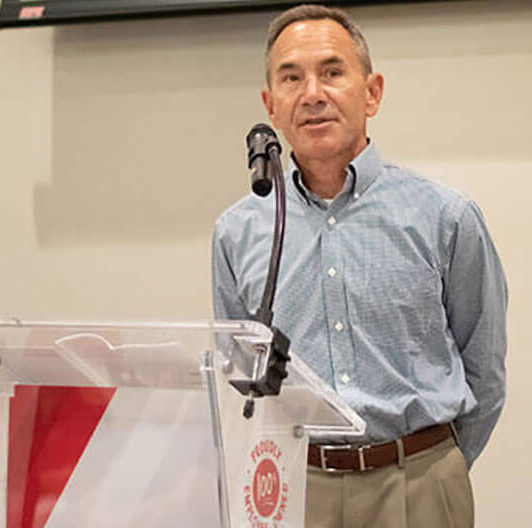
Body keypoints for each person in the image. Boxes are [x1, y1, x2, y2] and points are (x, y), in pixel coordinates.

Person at [211, 4, 507, 527]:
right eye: (291, 78)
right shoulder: (238, 232)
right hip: (296, 487)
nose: (312, 94)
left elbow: (484, 372)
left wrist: (436, 468)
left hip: (418, 484)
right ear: (271, 105)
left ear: (371, 92)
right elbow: (241, 376)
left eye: (331, 72)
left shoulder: (444, 217)